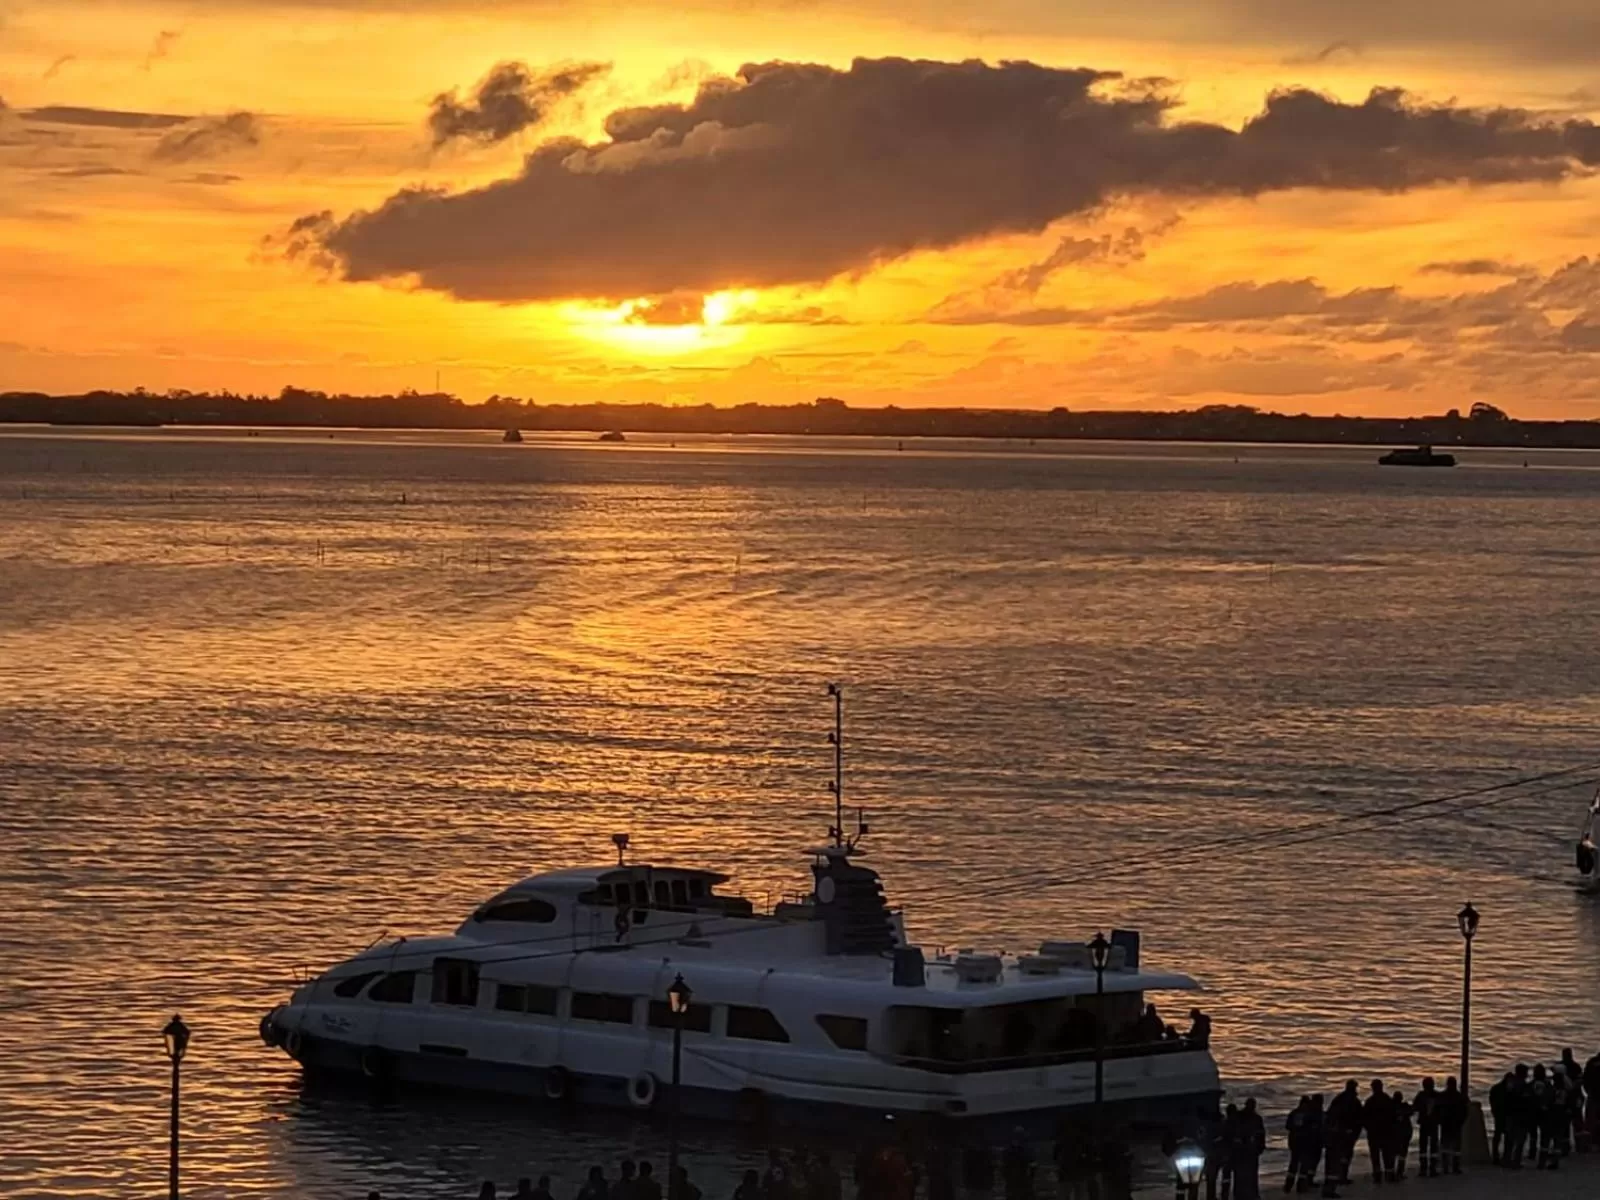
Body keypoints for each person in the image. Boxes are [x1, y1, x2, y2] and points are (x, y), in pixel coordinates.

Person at [1326, 1081, 1363, 1188]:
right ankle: (1342, 1176)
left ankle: (1339, 1176)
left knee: (1340, 1156)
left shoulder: (1339, 1099)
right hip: (1346, 1134)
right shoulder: (1353, 1101)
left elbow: (1330, 1115)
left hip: (1339, 1133)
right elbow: (1360, 1117)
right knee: (1345, 1156)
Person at [1362, 1080, 1393, 1184]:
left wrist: (1369, 1128)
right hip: (1385, 1132)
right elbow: (1392, 1116)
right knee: (1387, 1154)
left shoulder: (1370, 1101)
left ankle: (1377, 1176)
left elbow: (1364, 1118)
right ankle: (1389, 1175)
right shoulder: (1387, 1099)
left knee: (1375, 1155)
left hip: (1374, 1132)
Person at [1237, 1098, 1266, 1200]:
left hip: (1252, 1150)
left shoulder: (1256, 1119)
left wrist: (1261, 1146)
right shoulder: (1240, 1117)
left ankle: (1252, 1194)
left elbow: (1261, 1134)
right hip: (1243, 1150)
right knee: (1243, 1174)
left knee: (1251, 1173)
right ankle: (1242, 1194)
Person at [1438, 1077, 1468, 1175]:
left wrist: (1441, 1121)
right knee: (1456, 1147)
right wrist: (1461, 1121)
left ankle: (1446, 1167)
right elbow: (1465, 1111)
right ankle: (1455, 1167)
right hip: (1454, 1124)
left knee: (1446, 1146)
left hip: (1447, 1124)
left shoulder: (1443, 1096)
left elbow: (1438, 1110)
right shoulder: (1460, 1097)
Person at [1412, 1078, 1440, 1177]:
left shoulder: (1421, 1095)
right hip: (1431, 1124)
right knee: (1431, 1147)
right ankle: (1431, 1169)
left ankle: (1425, 1169)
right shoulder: (1436, 1095)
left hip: (1426, 1123)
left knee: (1425, 1147)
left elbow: (1415, 1107)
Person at [1490, 1072, 1513, 1166]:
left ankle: (1500, 1156)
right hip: (1503, 1115)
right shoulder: (1505, 1089)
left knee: (1500, 1136)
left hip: (1501, 1115)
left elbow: (1492, 1101)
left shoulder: (1496, 1088)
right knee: (1504, 1137)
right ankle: (1501, 1157)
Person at [1389, 1090, 1412, 1182]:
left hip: (1396, 1134)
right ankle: (1399, 1172)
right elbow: (1412, 1110)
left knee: (1394, 1154)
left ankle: (1393, 1173)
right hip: (1402, 1134)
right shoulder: (1403, 1107)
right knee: (1401, 1154)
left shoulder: (1391, 1108)